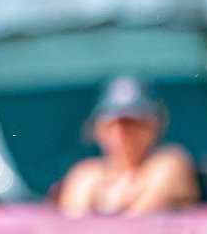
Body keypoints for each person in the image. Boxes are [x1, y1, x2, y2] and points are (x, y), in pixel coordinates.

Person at [57, 77, 199, 216]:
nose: (121, 133)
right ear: (99, 129)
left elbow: (138, 219)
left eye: (132, 123)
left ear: (153, 126)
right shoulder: (85, 175)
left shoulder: (169, 165)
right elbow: (74, 226)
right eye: (113, 124)